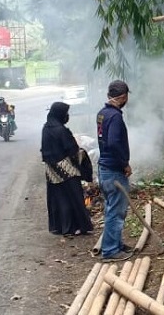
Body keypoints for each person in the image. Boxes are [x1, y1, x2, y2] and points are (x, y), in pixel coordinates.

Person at [40, 102, 94, 236]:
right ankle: (77, 226)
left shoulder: (46, 128)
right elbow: (72, 150)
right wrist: (83, 159)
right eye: (66, 113)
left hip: (51, 170)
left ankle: (60, 227)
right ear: (60, 114)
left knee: (59, 199)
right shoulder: (61, 130)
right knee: (74, 197)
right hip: (67, 170)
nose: (67, 116)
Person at [96, 80, 134, 261]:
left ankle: (115, 244)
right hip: (113, 170)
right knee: (116, 211)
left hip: (104, 168)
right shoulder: (115, 117)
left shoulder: (102, 113)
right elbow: (113, 143)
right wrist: (124, 164)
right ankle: (111, 250)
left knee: (112, 208)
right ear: (123, 97)